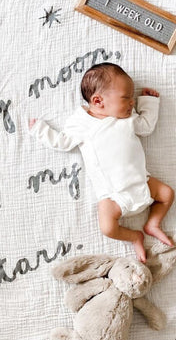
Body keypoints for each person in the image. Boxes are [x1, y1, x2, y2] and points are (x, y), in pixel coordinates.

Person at [29, 62, 174, 263]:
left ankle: (153, 224)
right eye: (126, 98)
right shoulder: (81, 124)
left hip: (142, 182)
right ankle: (135, 236)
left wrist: (148, 101)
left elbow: (146, 126)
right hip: (113, 195)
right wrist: (40, 130)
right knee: (107, 227)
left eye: (132, 98)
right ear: (98, 101)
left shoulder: (127, 118)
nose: (132, 102)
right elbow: (63, 142)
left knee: (167, 194)